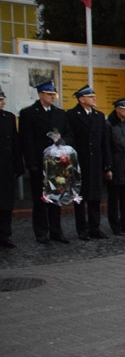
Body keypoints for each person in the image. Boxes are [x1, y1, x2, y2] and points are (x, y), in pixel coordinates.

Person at [19, 81, 73, 243]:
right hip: (40, 162)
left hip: (57, 163)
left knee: (56, 197)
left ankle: (56, 231)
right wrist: (31, 164)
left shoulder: (60, 113)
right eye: (49, 94)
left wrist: (62, 142)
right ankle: (41, 232)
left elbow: (69, 134)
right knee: (41, 198)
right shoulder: (29, 113)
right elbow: (26, 140)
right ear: (41, 94)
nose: (52, 97)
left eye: (53, 94)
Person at [66, 84, 112, 240]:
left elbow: (104, 142)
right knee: (80, 197)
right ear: (81, 99)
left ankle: (95, 227)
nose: (94, 99)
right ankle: (82, 229)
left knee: (95, 197)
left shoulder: (99, 116)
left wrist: (107, 165)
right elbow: (70, 138)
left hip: (96, 162)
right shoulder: (72, 115)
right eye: (91, 97)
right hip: (80, 162)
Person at [105, 97, 125, 234]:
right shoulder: (109, 125)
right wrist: (108, 167)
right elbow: (107, 147)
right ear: (117, 109)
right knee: (113, 198)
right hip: (116, 165)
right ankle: (115, 225)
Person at [0, 86, 21, 247]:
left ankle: (5, 234)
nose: (3, 102)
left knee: (6, 202)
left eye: (3, 99)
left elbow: (15, 143)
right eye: (0, 100)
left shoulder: (9, 117)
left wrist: (18, 165)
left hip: (6, 165)